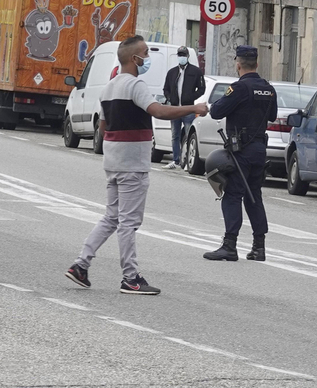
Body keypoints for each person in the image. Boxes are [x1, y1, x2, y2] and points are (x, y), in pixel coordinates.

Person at [65, 36, 209, 295]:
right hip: (133, 162)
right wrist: (194, 108)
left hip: (113, 159)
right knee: (129, 222)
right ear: (134, 59)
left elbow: (103, 126)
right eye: (144, 53)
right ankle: (130, 278)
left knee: (111, 217)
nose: (147, 58)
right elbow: (159, 111)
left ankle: (81, 264)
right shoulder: (135, 85)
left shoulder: (109, 87)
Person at [202, 46, 278, 262]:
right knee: (254, 197)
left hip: (241, 150)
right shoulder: (269, 89)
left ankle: (229, 245)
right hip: (259, 149)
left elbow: (217, 111)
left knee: (233, 195)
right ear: (257, 63)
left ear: (238, 63)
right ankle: (259, 247)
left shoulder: (239, 88)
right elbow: (272, 115)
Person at [163, 46, 205, 169]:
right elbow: (166, 89)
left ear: (187, 57)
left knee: (189, 135)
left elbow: (202, 89)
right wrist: (170, 98)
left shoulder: (195, 71)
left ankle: (187, 162)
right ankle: (175, 161)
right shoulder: (172, 72)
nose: (182, 57)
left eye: (183, 55)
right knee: (175, 135)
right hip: (175, 109)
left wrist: (191, 97)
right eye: (180, 55)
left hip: (188, 109)